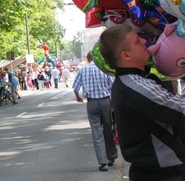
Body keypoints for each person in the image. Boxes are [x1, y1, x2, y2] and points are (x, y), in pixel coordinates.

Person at [99, 24, 185, 180]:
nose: (145, 41)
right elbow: (180, 111)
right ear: (126, 55)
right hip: (160, 175)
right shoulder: (135, 86)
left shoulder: (133, 81)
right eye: (137, 41)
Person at [72, 52, 117, 172]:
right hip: (106, 101)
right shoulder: (104, 69)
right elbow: (113, 85)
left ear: (87, 59)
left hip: (92, 103)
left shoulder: (83, 70)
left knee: (96, 131)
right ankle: (111, 157)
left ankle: (103, 163)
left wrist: (78, 97)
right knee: (108, 128)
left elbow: (75, 87)